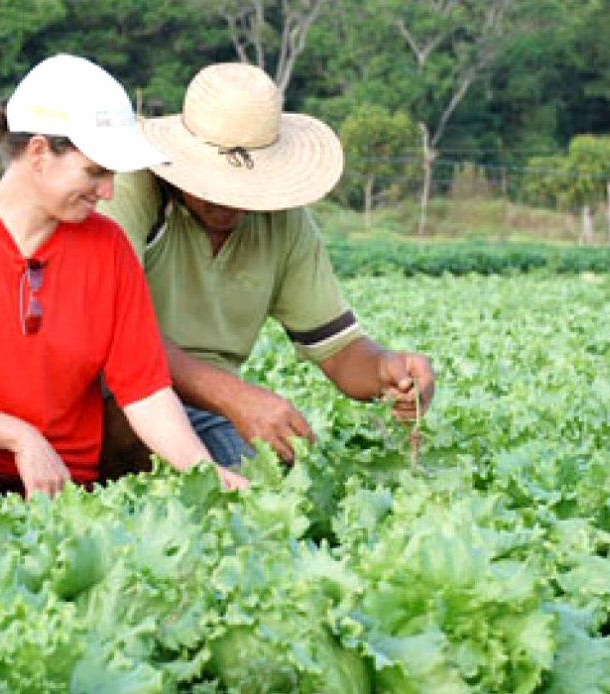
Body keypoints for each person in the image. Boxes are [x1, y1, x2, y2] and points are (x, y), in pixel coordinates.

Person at [0, 54, 249, 517]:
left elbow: (145, 392)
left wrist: (205, 471)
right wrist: (19, 436)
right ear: (38, 153)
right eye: (95, 171)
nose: (108, 191)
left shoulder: (108, 247)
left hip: (55, 487)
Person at [97, 62, 435, 476]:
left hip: (208, 409)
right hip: (117, 398)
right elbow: (116, 335)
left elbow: (339, 349)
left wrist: (386, 369)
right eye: (211, 182)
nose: (228, 199)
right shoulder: (130, 190)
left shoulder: (283, 220)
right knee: (157, 447)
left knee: (283, 479)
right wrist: (234, 397)